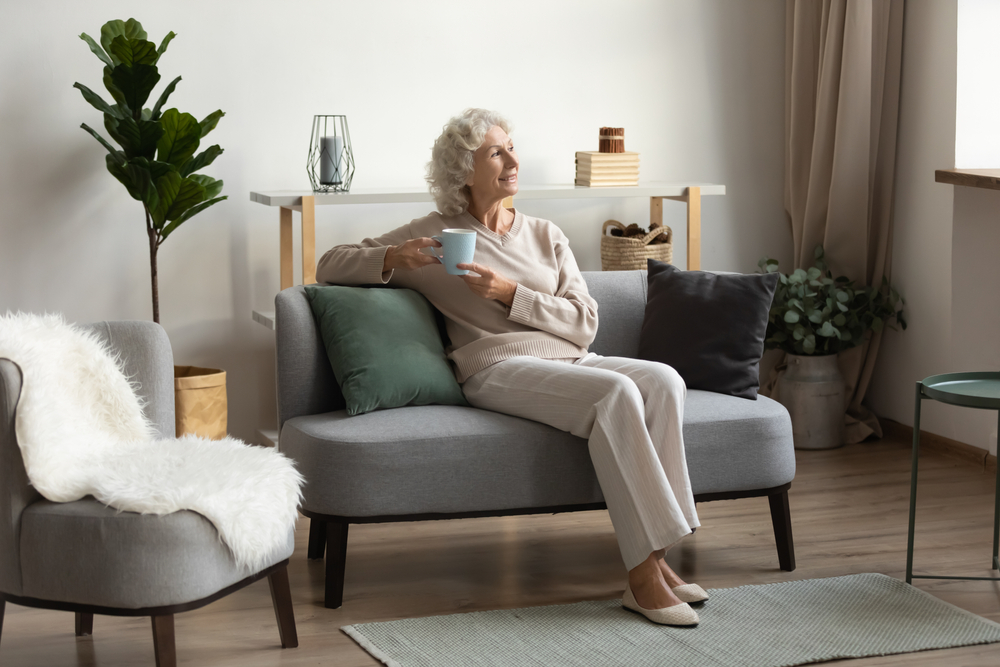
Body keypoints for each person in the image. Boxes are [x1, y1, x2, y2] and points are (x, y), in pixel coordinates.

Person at [316, 108, 706, 626]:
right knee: (615, 394)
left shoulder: (546, 234)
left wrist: (511, 295)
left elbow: (585, 322)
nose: (513, 160)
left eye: (511, 147)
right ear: (463, 171)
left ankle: (659, 557)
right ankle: (641, 575)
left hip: (572, 358)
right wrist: (392, 258)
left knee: (663, 379)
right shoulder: (433, 234)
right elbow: (328, 264)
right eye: (496, 152)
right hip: (495, 368)